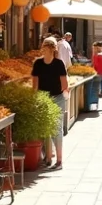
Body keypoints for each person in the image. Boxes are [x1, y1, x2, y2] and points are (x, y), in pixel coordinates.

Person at [31, 37, 69, 169]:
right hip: (48, 98)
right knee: (48, 129)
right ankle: (50, 158)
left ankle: (57, 160)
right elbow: (35, 86)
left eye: (45, 47)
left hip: (53, 98)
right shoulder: (42, 63)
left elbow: (64, 84)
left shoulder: (55, 64)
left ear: (50, 49)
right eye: (44, 47)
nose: (44, 50)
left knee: (55, 129)